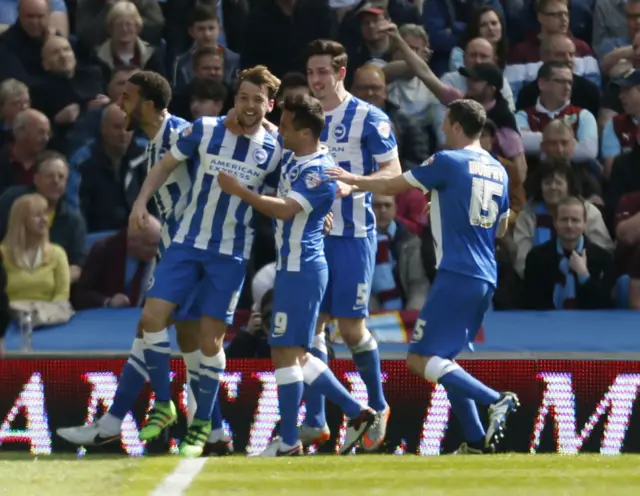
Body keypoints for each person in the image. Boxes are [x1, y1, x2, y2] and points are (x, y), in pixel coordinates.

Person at [327, 98, 519, 455]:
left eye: (446, 123)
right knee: (443, 360)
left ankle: (496, 400)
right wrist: (450, 207)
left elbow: (392, 186)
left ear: (458, 126)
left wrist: (350, 179)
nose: (443, 129)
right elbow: (502, 226)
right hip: (485, 276)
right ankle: (477, 441)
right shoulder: (498, 169)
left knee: (418, 359)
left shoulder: (447, 160)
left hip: (457, 272)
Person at [57, 71, 232, 456]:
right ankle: (216, 431)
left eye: (129, 97)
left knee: (149, 326)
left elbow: (226, 152)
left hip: (195, 255)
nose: (121, 104)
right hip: (178, 253)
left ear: (151, 104)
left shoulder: (183, 134)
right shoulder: (153, 145)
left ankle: (119, 421)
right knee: (186, 344)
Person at [129, 65, 281, 458]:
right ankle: (163, 404)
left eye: (257, 100)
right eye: (243, 97)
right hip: (186, 243)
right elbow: (164, 165)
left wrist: (320, 211)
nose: (249, 105)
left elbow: (295, 185)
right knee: (151, 319)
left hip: (229, 255)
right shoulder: (206, 128)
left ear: (270, 104)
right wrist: (141, 201)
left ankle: (201, 425)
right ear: (235, 98)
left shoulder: (276, 147)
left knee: (211, 341)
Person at [217, 93, 376, 456]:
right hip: (292, 269)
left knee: (291, 353)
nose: (281, 131)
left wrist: (240, 190)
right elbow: (271, 129)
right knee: (288, 353)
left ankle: (337, 420)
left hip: (303, 270)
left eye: (288, 126)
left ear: (305, 131)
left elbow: (287, 209)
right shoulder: (295, 153)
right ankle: (302, 434)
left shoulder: (318, 171)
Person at [301, 39, 402, 452]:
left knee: (351, 327)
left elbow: (394, 171)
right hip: (309, 236)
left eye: (323, 72)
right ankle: (316, 419)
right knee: (311, 327)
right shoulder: (302, 117)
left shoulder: (367, 117)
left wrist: (351, 184)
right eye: (310, 73)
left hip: (354, 235)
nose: (316, 80)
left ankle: (377, 407)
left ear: (341, 73)